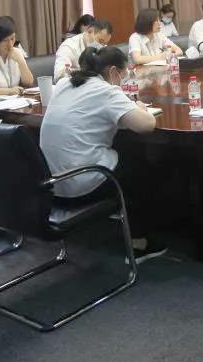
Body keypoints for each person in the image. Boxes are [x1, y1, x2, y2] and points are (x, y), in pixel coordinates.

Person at [39, 46, 166, 263]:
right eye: (124, 74)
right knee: (142, 167)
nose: (124, 79)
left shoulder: (64, 84)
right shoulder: (107, 91)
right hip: (81, 184)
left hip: (51, 185)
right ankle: (139, 244)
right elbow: (146, 125)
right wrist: (139, 107)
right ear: (113, 71)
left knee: (125, 151)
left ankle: (122, 214)